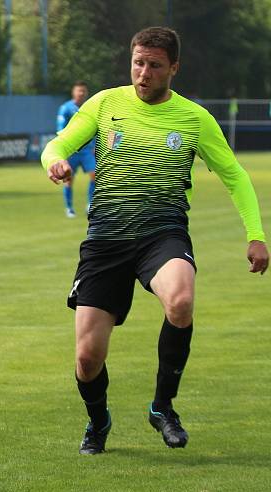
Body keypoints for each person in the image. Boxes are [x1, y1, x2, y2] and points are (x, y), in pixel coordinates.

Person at [41, 27, 268, 455]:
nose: (143, 73)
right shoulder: (105, 103)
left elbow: (235, 175)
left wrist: (255, 235)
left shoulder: (194, 118)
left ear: (174, 68)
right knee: (87, 360)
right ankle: (98, 421)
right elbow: (59, 144)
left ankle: (163, 407)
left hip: (162, 234)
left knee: (180, 301)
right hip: (106, 239)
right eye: (138, 63)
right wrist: (55, 162)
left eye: (154, 65)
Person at [56, 81, 96, 217]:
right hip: (72, 150)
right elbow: (60, 129)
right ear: (73, 92)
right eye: (79, 91)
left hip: (86, 150)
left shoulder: (90, 107)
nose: (81, 93)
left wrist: (95, 145)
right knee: (68, 179)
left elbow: (95, 127)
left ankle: (90, 204)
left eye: (83, 91)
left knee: (95, 175)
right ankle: (69, 208)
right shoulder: (65, 108)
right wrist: (64, 149)